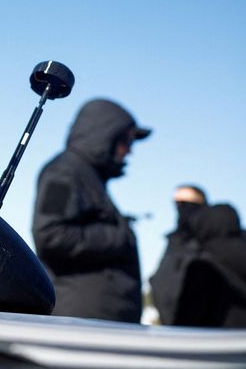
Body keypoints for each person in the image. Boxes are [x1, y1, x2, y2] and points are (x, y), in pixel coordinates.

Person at [32, 98, 151, 322]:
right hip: (79, 321)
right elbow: (50, 235)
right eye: (126, 141)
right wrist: (118, 236)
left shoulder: (89, 177)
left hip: (98, 319)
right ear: (105, 136)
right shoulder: (63, 172)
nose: (129, 151)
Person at [150, 184, 209, 324]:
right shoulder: (174, 241)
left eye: (185, 203)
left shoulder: (209, 241)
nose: (180, 208)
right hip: (171, 322)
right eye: (176, 203)